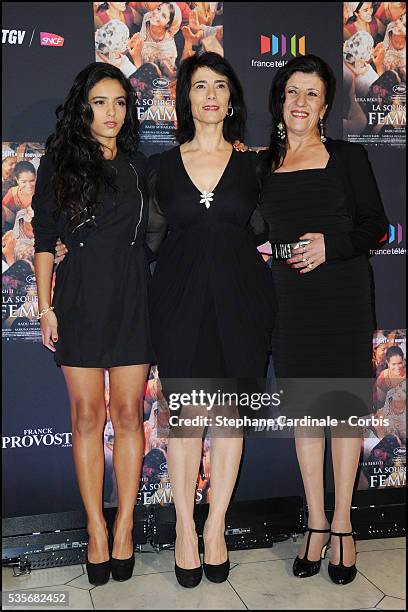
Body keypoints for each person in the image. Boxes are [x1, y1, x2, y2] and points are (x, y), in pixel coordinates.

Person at [145, 51, 277, 587]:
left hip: (242, 303)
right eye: (201, 86)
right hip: (177, 305)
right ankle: (183, 529)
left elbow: (267, 230)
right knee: (185, 425)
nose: (212, 95)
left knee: (228, 423)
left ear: (231, 99)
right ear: (187, 98)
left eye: (221, 86)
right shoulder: (159, 167)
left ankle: (216, 526)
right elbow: (149, 241)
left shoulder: (255, 164)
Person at [259, 54, 388, 585]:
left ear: (325, 106)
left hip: (342, 299)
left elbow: (375, 226)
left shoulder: (349, 157)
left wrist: (329, 247)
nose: (300, 102)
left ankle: (342, 527)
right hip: (290, 303)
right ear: (280, 100)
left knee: (342, 416)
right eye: (292, 91)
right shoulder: (261, 165)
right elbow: (244, 224)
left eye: (311, 94)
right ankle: (314, 522)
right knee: (308, 418)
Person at [31, 62, 155, 586]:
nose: (112, 113)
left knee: (128, 415)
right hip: (78, 299)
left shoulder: (138, 165)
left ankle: (124, 527)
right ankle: (95, 531)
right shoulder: (59, 161)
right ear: (84, 107)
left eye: (120, 103)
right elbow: (41, 238)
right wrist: (46, 306)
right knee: (87, 418)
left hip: (132, 297)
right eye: (101, 102)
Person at [2, 161, 37, 233]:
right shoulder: (13, 192)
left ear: (36, 177)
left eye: (32, 180)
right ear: (17, 180)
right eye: (24, 182)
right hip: (18, 231)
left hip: (40, 230)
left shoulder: (43, 193)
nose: (29, 185)